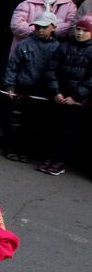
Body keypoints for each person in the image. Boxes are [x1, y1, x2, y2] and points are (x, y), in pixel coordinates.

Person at [38, 15, 92, 175]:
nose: (80, 33)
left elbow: (90, 79)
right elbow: (51, 69)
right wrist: (56, 91)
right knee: (52, 129)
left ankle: (60, 161)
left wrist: (75, 96)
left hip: (76, 100)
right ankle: (49, 157)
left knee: (67, 133)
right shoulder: (63, 46)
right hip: (59, 95)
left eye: (85, 31)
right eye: (78, 29)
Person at [2, 12, 59, 162]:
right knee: (16, 121)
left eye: (44, 27)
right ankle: (11, 148)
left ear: (53, 27)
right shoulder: (24, 44)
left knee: (35, 123)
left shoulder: (57, 47)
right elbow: (12, 66)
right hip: (23, 87)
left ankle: (26, 151)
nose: (40, 30)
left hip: (44, 91)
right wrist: (10, 86)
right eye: (37, 27)